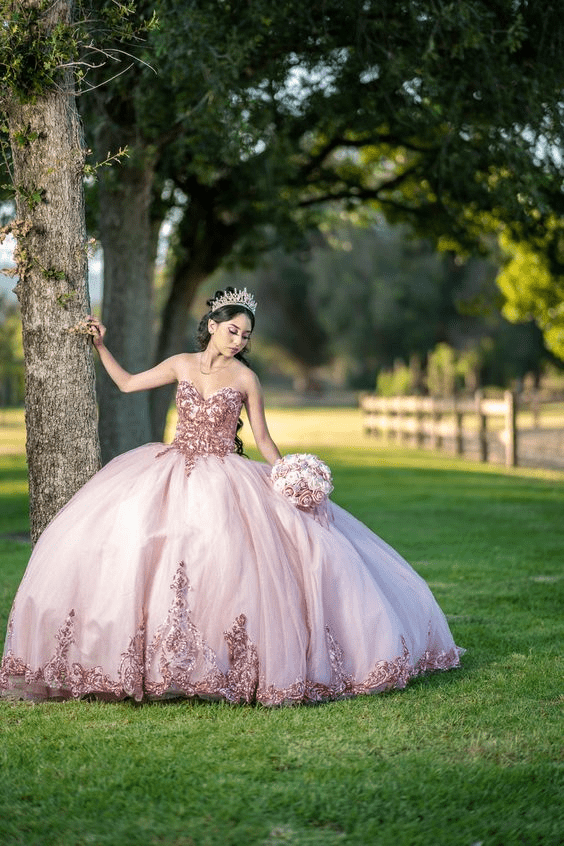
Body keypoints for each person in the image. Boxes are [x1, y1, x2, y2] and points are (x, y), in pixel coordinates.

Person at [0, 287, 463, 705]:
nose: (239, 340)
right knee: (151, 551)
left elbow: (262, 438)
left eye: (246, 335)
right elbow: (126, 384)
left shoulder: (246, 379)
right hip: (169, 469)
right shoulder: (181, 363)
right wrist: (101, 345)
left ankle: (220, 664)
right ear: (213, 326)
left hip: (226, 472)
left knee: (227, 559)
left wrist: (289, 474)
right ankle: (159, 663)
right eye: (233, 330)